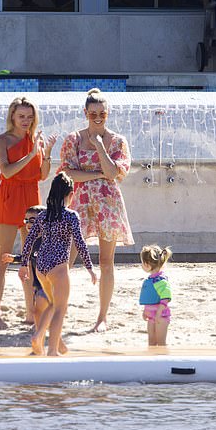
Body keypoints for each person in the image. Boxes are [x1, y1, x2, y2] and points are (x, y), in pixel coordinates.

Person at [58, 88, 134, 332]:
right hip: (79, 202)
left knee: (106, 261)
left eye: (102, 113)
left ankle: (102, 317)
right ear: (85, 113)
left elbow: (115, 174)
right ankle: (58, 309)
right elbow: (67, 172)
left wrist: (100, 146)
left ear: (108, 113)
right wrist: (99, 173)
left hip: (108, 204)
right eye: (93, 114)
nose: (98, 117)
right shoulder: (73, 139)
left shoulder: (118, 141)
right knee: (66, 257)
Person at [0, 96, 57, 329]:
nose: (26, 121)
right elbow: (7, 172)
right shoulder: (0, 140)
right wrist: (29, 155)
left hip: (32, 196)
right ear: (12, 117)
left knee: (32, 257)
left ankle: (31, 312)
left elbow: (42, 174)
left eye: (29, 117)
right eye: (21, 116)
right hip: (10, 196)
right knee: (3, 258)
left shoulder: (35, 139)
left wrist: (46, 152)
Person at [19, 172, 97, 356]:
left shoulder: (42, 216)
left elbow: (29, 240)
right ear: (70, 195)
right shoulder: (71, 216)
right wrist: (90, 268)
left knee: (52, 304)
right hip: (59, 267)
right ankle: (53, 350)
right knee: (61, 309)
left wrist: (24, 264)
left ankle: (38, 336)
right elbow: (80, 242)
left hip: (41, 267)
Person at [1, 205, 51, 330]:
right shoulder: (33, 240)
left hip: (48, 283)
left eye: (32, 220)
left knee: (44, 306)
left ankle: (45, 329)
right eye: (26, 220)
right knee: (37, 308)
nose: (28, 224)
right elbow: (28, 256)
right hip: (38, 283)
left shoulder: (47, 241)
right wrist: (14, 258)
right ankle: (41, 327)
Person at [139, 245, 173, 346]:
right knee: (151, 342)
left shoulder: (160, 280)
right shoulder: (151, 279)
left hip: (161, 316)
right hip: (151, 316)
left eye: (142, 263)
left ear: (148, 264)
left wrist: (159, 311)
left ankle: (164, 360)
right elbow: (150, 299)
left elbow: (166, 297)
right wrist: (146, 311)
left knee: (161, 343)